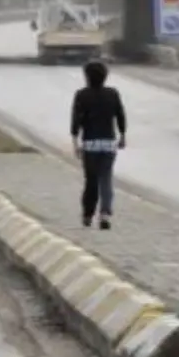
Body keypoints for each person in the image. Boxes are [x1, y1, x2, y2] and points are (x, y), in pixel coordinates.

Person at [70, 61, 126, 230]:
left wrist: (75, 143)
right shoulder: (113, 94)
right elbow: (120, 115)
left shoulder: (81, 95)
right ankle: (105, 214)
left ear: (87, 76)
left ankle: (88, 214)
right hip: (109, 143)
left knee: (91, 180)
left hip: (90, 144)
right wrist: (122, 135)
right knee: (106, 179)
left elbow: (76, 121)